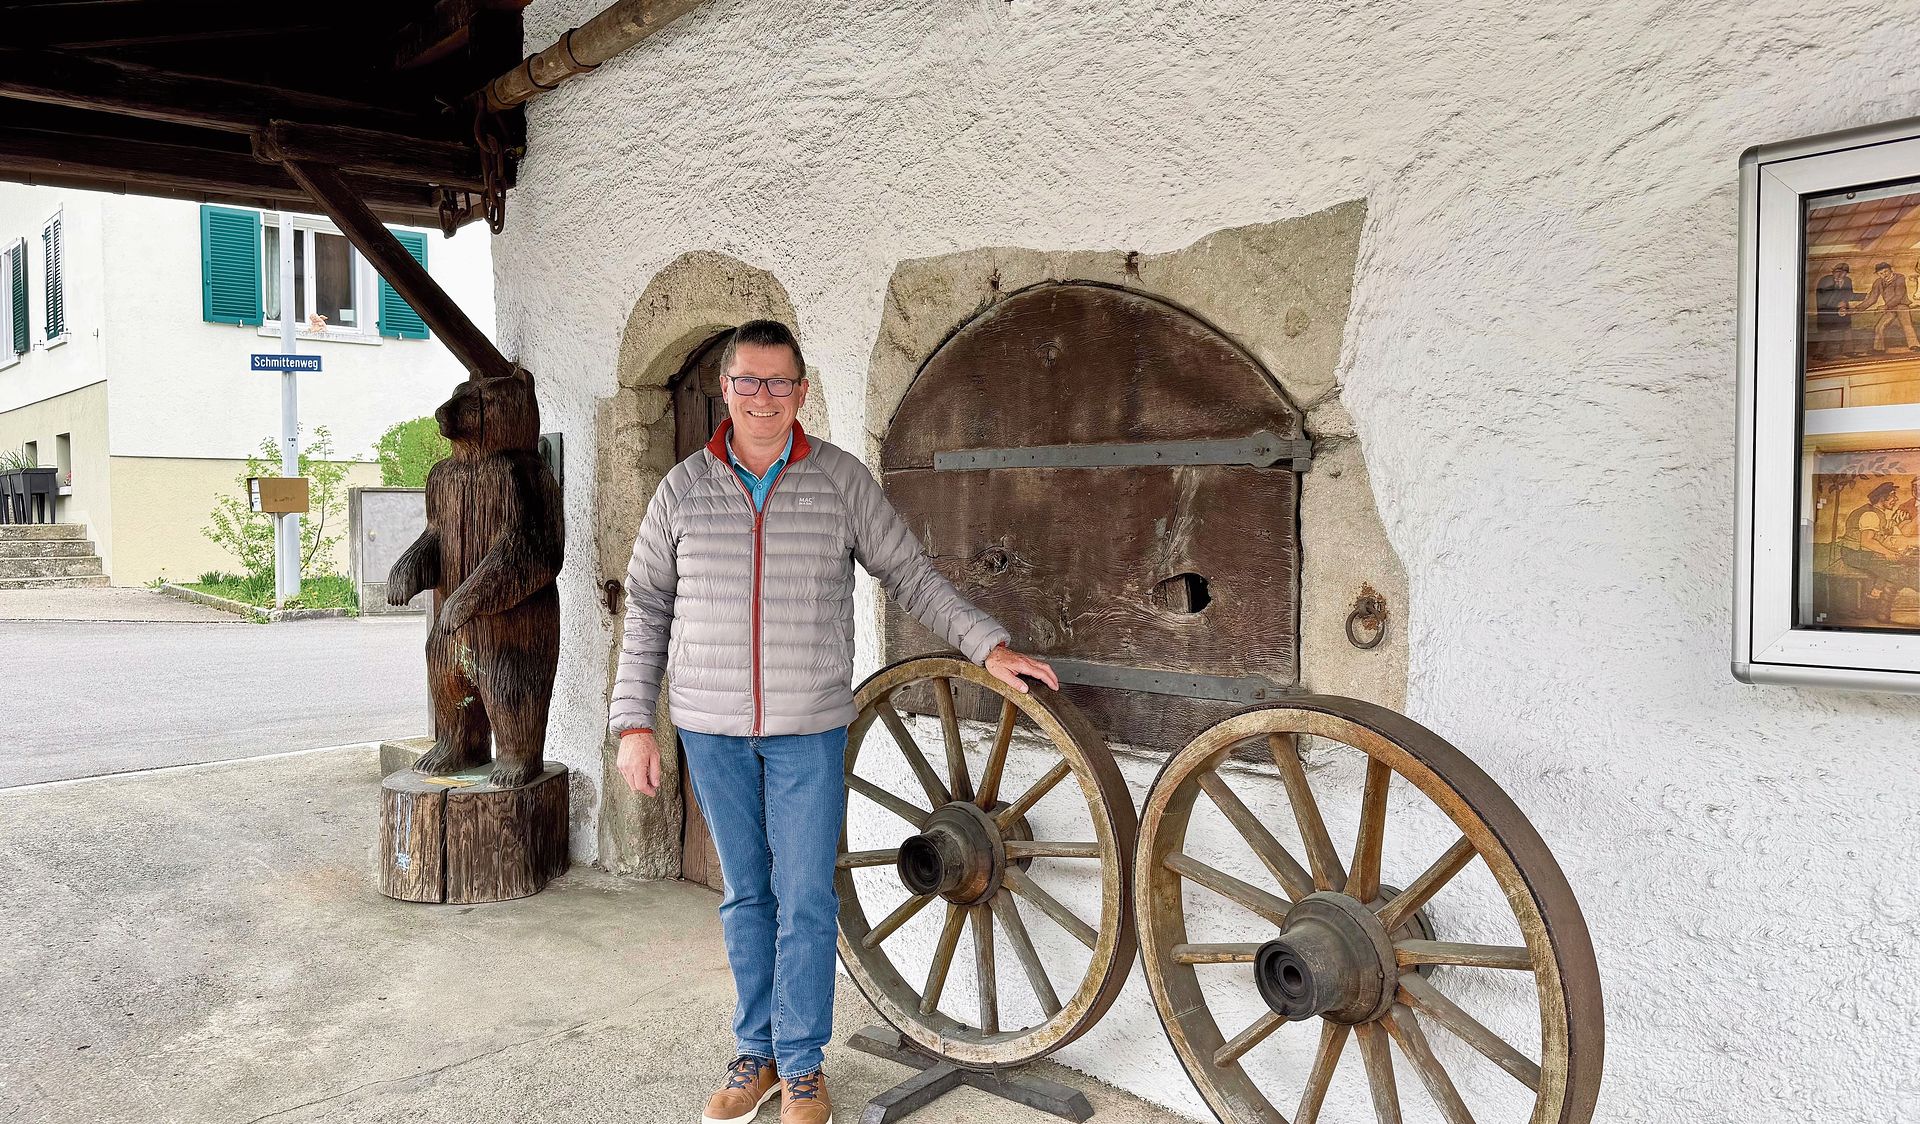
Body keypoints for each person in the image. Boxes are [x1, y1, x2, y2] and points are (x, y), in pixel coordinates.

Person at [608, 319, 1057, 1124]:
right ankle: (756, 1054)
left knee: (808, 897)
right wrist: (634, 722)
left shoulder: (840, 480)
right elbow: (646, 609)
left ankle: (802, 1063)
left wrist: (985, 645)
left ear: (801, 392)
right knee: (747, 897)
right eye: (748, 381)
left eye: (779, 382)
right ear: (725, 388)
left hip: (808, 726)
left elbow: (911, 575)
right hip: (711, 728)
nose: (763, 397)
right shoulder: (681, 489)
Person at [1839, 481, 1917, 621]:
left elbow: (1879, 538)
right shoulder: (1870, 515)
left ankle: (1877, 606)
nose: (1896, 499)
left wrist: (1895, 549)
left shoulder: (1878, 513)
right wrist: (1888, 552)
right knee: (1895, 570)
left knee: (1898, 564)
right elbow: (1866, 541)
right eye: (1893, 496)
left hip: (1865, 552)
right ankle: (1872, 605)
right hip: (1855, 554)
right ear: (1882, 498)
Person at [1853, 261, 1920, 354]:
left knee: (1907, 325)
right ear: (1878, 274)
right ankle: (1878, 349)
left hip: (1901, 306)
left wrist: (1886, 306)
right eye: (1881, 273)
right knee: (1879, 327)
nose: (1884, 274)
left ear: (1891, 270)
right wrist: (1858, 308)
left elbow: (1899, 295)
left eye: (1885, 271)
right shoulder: (1878, 282)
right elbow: (1872, 298)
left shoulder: (1900, 278)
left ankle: (1915, 346)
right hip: (1889, 308)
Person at [1813, 262, 1863, 360]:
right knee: (1825, 331)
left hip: (1842, 310)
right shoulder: (1825, 281)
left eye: (1843, 272)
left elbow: (1848, 294)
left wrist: (1846, 302)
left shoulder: (1847, 281)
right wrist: (1836, 306)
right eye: (1837, 272)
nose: (1840, 274)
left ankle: (1849, 351)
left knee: (1847, 328)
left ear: (1846, 273)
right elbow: (1822, 299)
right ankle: (1819, 353)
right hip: (1827, 310)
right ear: (1833, 272)